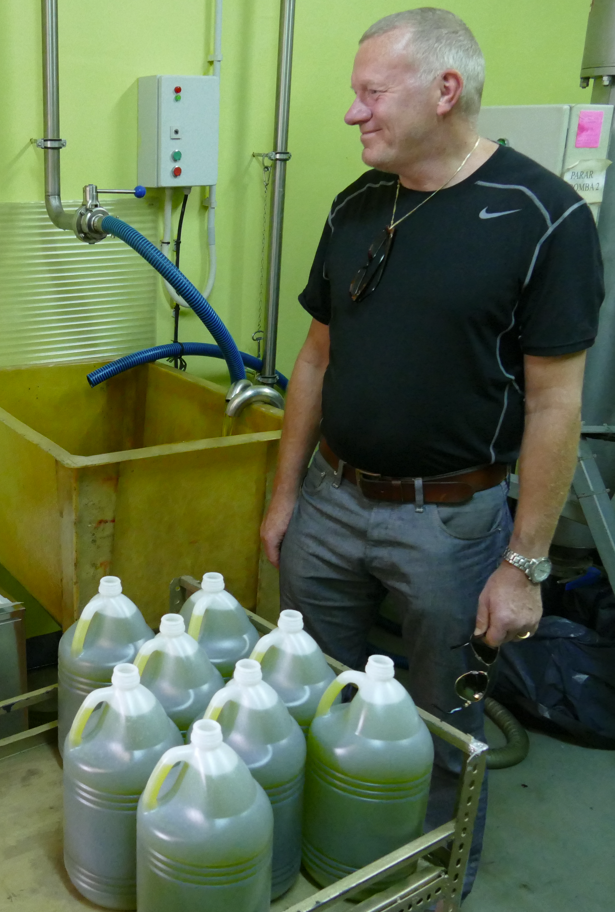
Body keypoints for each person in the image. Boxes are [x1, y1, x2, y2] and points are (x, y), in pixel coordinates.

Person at [259, 7, 603, 896]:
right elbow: (312, 358)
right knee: (314, 694)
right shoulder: (356, 205)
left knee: (443, 723)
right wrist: (284, 495)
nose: (352, 113)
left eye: (369, 93)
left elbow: (556, 402)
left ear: (444, 91)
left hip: (451, 524)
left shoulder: (544, 217)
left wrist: (524, 563)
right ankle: (327, 853)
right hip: (331, 503)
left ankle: (433, 881)